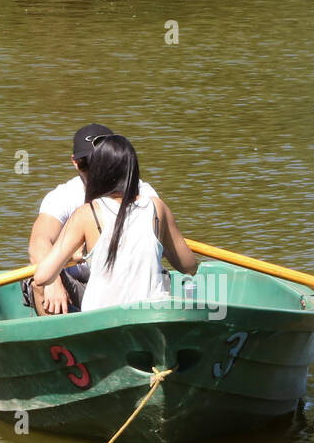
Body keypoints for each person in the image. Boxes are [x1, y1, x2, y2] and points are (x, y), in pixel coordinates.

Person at [32, 135, 197, 313]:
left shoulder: (87, 213)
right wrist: (163, 245)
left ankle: (59, 341)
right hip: (151, 315)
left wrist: (71, 258)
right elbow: (190, 267)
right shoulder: (157, 207)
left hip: (100, 320)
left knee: (34, 284)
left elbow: (42, 276)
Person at [25, 123, 158, 315]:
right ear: (75, 162)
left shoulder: (143, 194)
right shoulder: (62, 196)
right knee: (38, 281)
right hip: (83, 287)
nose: (95, 171)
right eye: (86, 163)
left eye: (99, 162)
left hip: (130, 285)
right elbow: (38, 242)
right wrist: (53, 282)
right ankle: (61, 344)